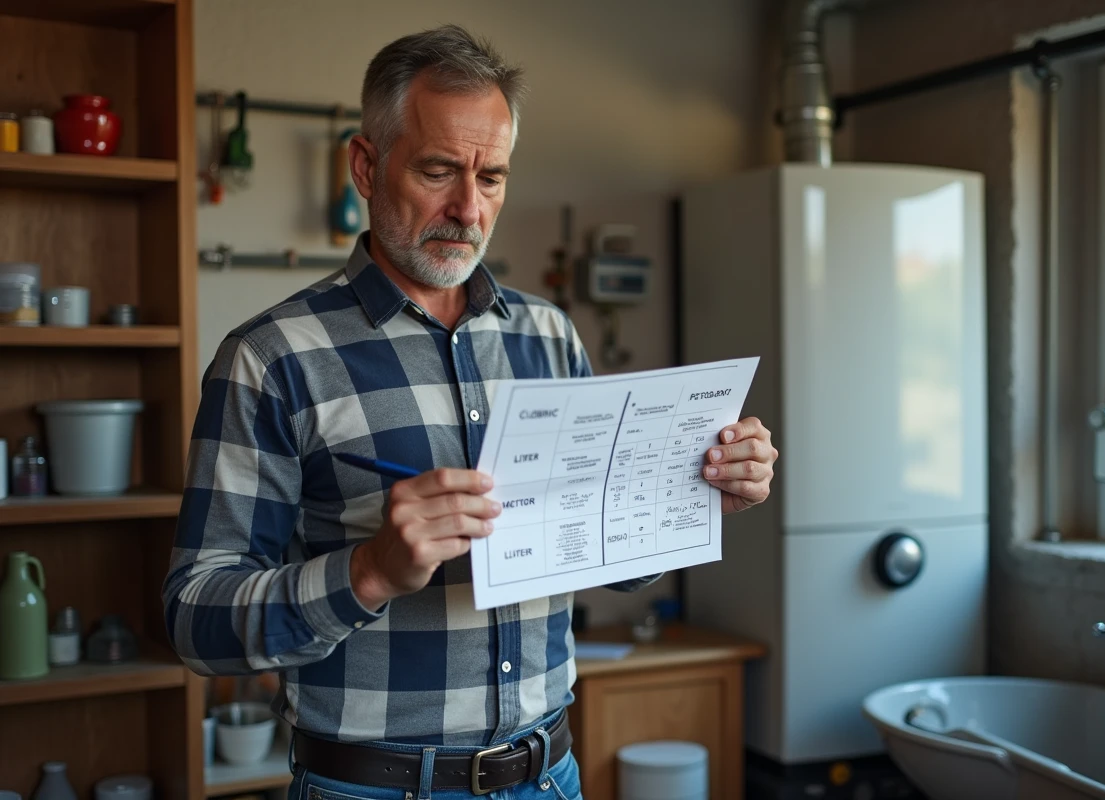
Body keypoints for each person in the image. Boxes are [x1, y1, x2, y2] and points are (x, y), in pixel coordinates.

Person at [163, 24, 777, 800]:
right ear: (365, 163)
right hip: (374, 789)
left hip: (548, 777)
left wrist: (698, 489)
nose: (468, 208)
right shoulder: (271, 358)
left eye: (492, 178)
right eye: (438, 171)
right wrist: (370, 572)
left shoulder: (549, 334)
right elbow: (195, 619)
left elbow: (614, 555)